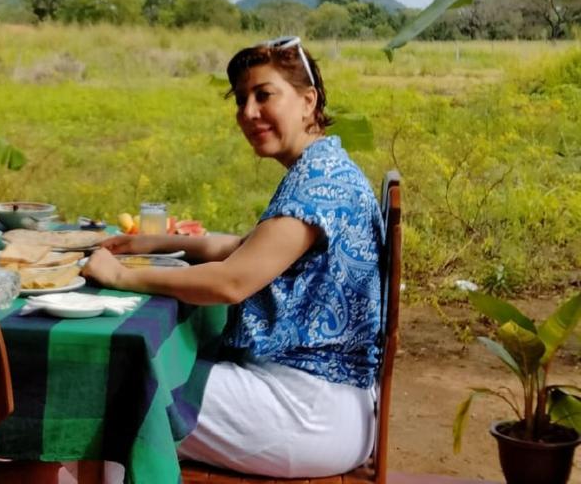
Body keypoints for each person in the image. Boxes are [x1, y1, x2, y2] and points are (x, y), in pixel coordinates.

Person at [81, 36, 383, 478]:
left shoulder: (321, 182)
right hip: (325, 399)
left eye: (264, 95)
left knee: (117, 390)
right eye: (242, 100)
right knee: (144, 380)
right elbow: (243, 247)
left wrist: (121, 277)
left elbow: (231, 282)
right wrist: (152, 243)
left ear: (308, 100)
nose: (248, 112)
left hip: (306, 409)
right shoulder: (324, 166)